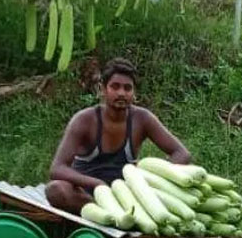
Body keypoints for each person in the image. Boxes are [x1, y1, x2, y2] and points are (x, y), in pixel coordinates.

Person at [46, 57, 191, 212]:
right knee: (56, 190)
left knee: (188, 178)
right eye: (115, 87)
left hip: (127, 196)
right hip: (87, 194)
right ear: (103, 89)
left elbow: (182, 154)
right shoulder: (85, 120)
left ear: (134, 93)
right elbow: (57, 168)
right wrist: (97, 184)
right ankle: (104, 210)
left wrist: (151, 179)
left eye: (127, 88)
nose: (121, 93)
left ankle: (122, 210)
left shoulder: (142, 119)